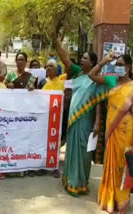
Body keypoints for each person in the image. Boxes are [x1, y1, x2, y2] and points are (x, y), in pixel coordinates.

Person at [88, 54, 133, 214]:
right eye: (116, 64)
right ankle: (109, 198)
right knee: (110, 164)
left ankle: (121, 200)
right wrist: (105, 60)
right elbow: (91, 75)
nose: (118, 67)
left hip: (126, 131)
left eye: (121, 64)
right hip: (111, 130)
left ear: (128, 67)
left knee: (122, 165)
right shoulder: (111, 81)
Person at [55, 38, 107, 196]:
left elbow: (98, 102)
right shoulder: (78, 72)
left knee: (84, 153)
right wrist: (56, 42)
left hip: (86, 121)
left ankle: (82, 182)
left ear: (92, 63)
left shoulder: (97, 79)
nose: (82, 60)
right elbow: (65, 59)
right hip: (73, 120)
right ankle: (71, 181)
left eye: (85, 58)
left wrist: (97, 123)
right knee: (72, 150)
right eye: (82, 58)